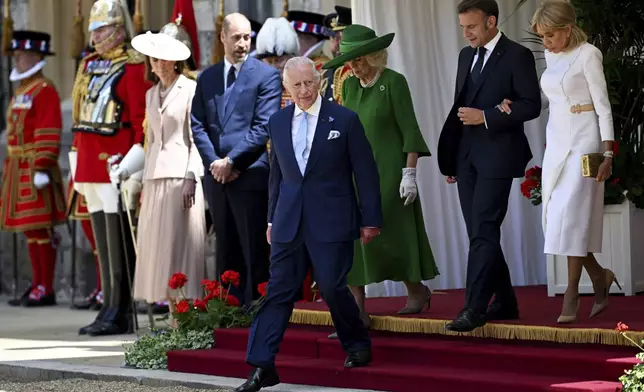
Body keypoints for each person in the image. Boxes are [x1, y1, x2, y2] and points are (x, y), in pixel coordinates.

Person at [234, 57, 382, 392]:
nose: (304, 90)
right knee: (278, 293)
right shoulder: (277, 122)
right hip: (288, 223)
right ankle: (261, 365)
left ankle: (356, 342)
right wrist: (272, 218)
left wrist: (371, 218)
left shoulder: (344, 120)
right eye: (297, 85)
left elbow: (366, 173)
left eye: (309, 83)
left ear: (320, 82)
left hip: (332, 220)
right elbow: (277, 175)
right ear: (286, 87)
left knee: (331, 286)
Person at [505, 1, 617, 323]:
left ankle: (571, 294)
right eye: (542, 37)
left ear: (568, 28)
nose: (546, 43)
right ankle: (599, 276)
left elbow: (603, 107)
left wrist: (608, 154)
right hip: (556, 144)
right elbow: (551, 96)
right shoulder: (553, 56)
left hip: (585, 144)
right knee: (558, 219)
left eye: (551, 35)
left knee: (571, 216)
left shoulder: (589, 54)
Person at [322, 25, 439, 334]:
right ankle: (358, 311)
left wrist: (409, 173)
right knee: (355, 238)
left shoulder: (394, 83)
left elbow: (410, 131)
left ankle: (416, 289)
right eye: (350, 60)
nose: (354, 66)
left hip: (390, 172)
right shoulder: (348, 87)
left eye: (360, 59)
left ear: (375, 56)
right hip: (356, 174)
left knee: (390, 235)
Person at [436, 0, 541, 332]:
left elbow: (531, 105)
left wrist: (489, 116)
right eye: (462, 27)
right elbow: (459, 107)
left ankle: (474, 308)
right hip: (466, 156)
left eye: (471, 27)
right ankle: (506, 300)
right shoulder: (466, 55)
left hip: (498, 155)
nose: (465, 33)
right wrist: (452, 156)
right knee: (478, 232)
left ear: (491, 22)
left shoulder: (517, 56)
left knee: (483, 228)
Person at [70, 0, 152, 336]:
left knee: (117, 241)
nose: (95, 35)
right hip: (89, 163)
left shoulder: (132, 67)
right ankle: (108, 304)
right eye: (94, 29)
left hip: (116, 162)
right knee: (101, 241)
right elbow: (79, 115)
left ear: (119, 30)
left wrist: (133, 166)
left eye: (102, 28)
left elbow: (138, 122)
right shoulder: (88, 65)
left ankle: (119, 309)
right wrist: (76, 161)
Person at [191, 13, 282, 306]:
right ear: (222, 38)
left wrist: (232, 162)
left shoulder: (265, 76)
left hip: (249, 174)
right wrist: (215, 163)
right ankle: (228, 312)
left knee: (253, 247)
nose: (243, 43)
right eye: (237, 37)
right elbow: (198, 124)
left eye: (247, 37)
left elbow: (263, 125)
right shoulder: (207, 77)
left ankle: (256, 309)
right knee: (225, 249)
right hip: (217, 178)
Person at [126, 31, 206, 321]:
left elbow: (196, 138)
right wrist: (140, 178)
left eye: (162, 59)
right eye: (153, 58)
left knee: (179, 248)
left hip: (180, 178)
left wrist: (191, 176)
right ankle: (172, 316)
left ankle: (184, 318)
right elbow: (150, 142)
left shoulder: (190, 90)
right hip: (155, 177)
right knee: (158, 251)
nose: (157, 64)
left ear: (174, 62)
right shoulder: (150, 94)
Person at [0, 30, 66, 307]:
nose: (18, 61)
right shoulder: (22, 90)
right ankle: (37, 283)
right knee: (30, 230)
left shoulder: (45, 89)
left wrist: (42, 163)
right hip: (18, 167)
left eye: (23, 56)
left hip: (34, 168)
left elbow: (48, 127)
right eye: (17, 56)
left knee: (41, 228)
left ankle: (46, 286)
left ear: (37, 57)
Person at [322, 5, 353, 103]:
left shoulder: (359, 72)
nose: (337, 44)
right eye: (334, 38)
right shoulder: (325, 74)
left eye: (342, 37)